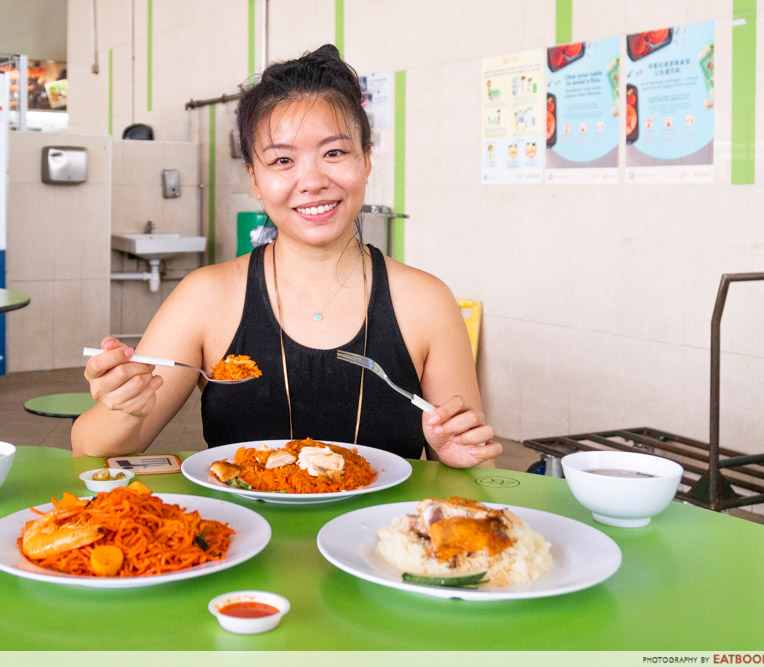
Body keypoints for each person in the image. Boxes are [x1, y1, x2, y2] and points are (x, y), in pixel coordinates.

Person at [72, 44, 500, 468]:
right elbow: (89, 452)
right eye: (282, 160)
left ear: (366, 161)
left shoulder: (426, 302)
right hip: (239, 536)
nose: (311, 181)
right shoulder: (206, 297)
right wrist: (122, 409)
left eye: (334, 152)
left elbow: (478, 471)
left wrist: (457, 459)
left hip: (379, 537)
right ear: (254, 180)